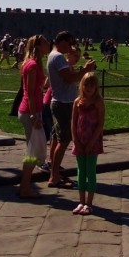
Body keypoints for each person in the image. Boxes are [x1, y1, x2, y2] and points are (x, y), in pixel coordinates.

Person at [47, 31, 95, 189]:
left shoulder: (53, 55)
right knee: (64, 140)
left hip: (59, 101)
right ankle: (54, 177)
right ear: (61, 42)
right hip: (64, 103)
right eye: (68, 44)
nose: (70, 47)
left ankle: (54, 172)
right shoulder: (58, 57)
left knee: (56, 138)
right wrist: (85, 71)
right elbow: (68, 79)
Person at [17, 35, 50, 199]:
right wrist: (34, 115)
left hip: (32, 111)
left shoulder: (35, 64)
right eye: (45, 43)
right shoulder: (32, 65)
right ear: (38, 46)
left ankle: (26, 186)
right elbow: (29, 92)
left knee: (34, 151)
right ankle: (25, 188)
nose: (49, 45)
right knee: (31, 152)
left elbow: (36, 88)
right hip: (29, 112)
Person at [71, 71, 105, 215]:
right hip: (80, 140)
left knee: (90, 172)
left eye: (92, 85)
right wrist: (76, 141)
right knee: (80, 172)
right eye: (86, 84)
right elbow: (73, 122)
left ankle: (89, 203)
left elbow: (100, 124)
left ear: (96, 87)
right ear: (82, 86)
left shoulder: (98, 102)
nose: (89, 88)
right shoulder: (77, 102)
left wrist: (91, 142)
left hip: (92, 141)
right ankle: (81, 201)